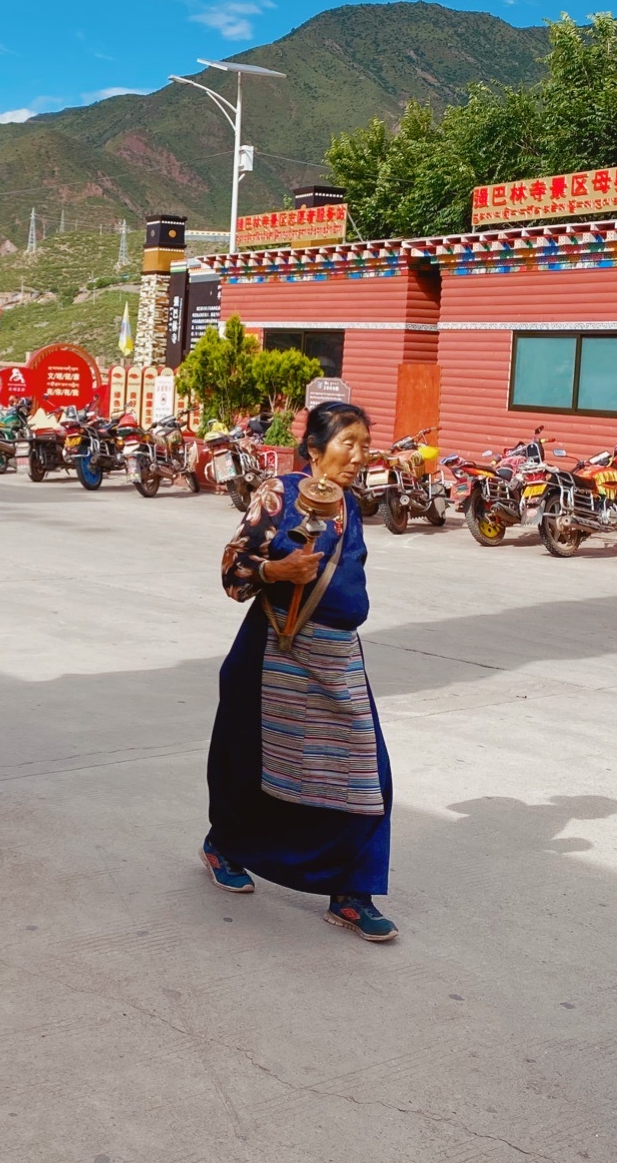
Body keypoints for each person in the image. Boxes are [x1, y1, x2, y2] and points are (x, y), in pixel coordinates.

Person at [202, 400, 397, 942]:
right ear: (314, 449)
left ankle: (352, 893)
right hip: (271, 650)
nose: (359, 454)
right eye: (347, 443)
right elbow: (233, 570)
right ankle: (225, 845)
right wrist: (276, 568)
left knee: (363, 773)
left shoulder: (351, 505)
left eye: (364, 443)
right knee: (251, 762)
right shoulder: (280, 494)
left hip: (336, 654)